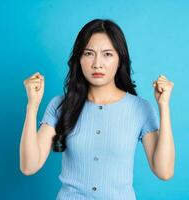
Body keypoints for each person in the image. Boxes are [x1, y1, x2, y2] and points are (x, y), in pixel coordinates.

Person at [20, 18, 175, 200]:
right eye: (88, 53)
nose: (97, 64)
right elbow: (29, 166)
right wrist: (32, 106)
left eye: (107, 54)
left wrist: (163, 106)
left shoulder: (140, 108)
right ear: (79, 58)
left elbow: (164, 171)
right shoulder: (60, 105)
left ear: (120, 59)